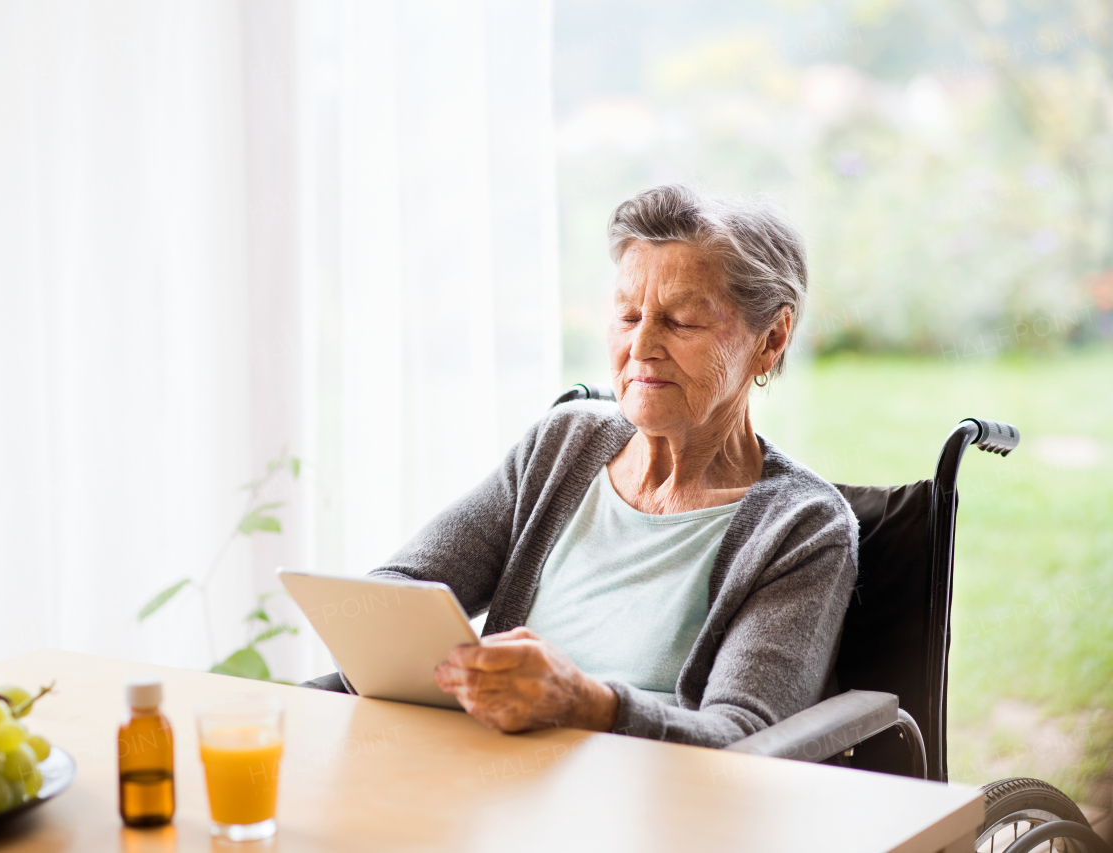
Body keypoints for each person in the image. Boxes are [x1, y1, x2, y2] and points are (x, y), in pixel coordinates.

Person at [305, 184, 858, 747]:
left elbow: (743, 740)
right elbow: (397, 592)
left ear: (772, 339)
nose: (641, 345)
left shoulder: (802, 529)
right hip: (485, 782)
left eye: (682, 321)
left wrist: (586, 704)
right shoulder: (562, 446)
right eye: (627, 315)